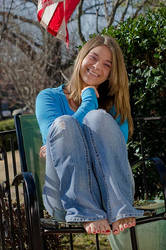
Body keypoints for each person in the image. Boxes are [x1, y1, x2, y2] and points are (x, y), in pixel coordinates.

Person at [36, 35, 144, 236]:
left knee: (97, 118)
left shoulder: (114, 106)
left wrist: (93, 114)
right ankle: (84, 210)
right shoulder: (48, 97)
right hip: (64, 199)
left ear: (112, 73)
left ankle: (118, 210)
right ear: (82, 57)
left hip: (112, 198)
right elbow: (57, 137)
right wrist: (88, 100)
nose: (97, 67)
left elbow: (115, 157)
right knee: (63, 124)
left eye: (107, 64)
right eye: (93, 58)